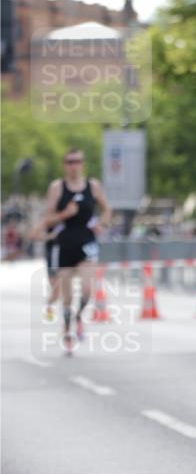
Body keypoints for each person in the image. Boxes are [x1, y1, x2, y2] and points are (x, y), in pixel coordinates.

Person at [41, 149, 112, 353]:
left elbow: (107, 209)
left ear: (82, 163)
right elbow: (47, 219)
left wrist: (103, 224)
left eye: (77, 161)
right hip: (64, 245)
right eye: (70, 161)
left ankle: (79, 318)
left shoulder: (93, 186)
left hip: (87, 243)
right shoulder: (57, 188)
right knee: (67, 297)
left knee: (88, 289)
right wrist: (66, 213)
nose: (74, 165)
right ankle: (66, 329)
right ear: (65, 164)